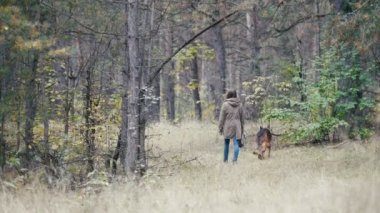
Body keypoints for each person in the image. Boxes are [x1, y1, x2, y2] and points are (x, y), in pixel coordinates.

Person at [218, 90, 244, 163]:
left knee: (226, 143)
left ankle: (225, 160)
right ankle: (234, 160)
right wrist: (242, 128)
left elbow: (221, 118)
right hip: (237, 126)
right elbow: (242, 118)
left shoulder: (225, 104)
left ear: (228, 95)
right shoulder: (240, 104)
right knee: (236, 143)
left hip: (228, 126)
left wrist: (220, 127)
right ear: (235, 95)